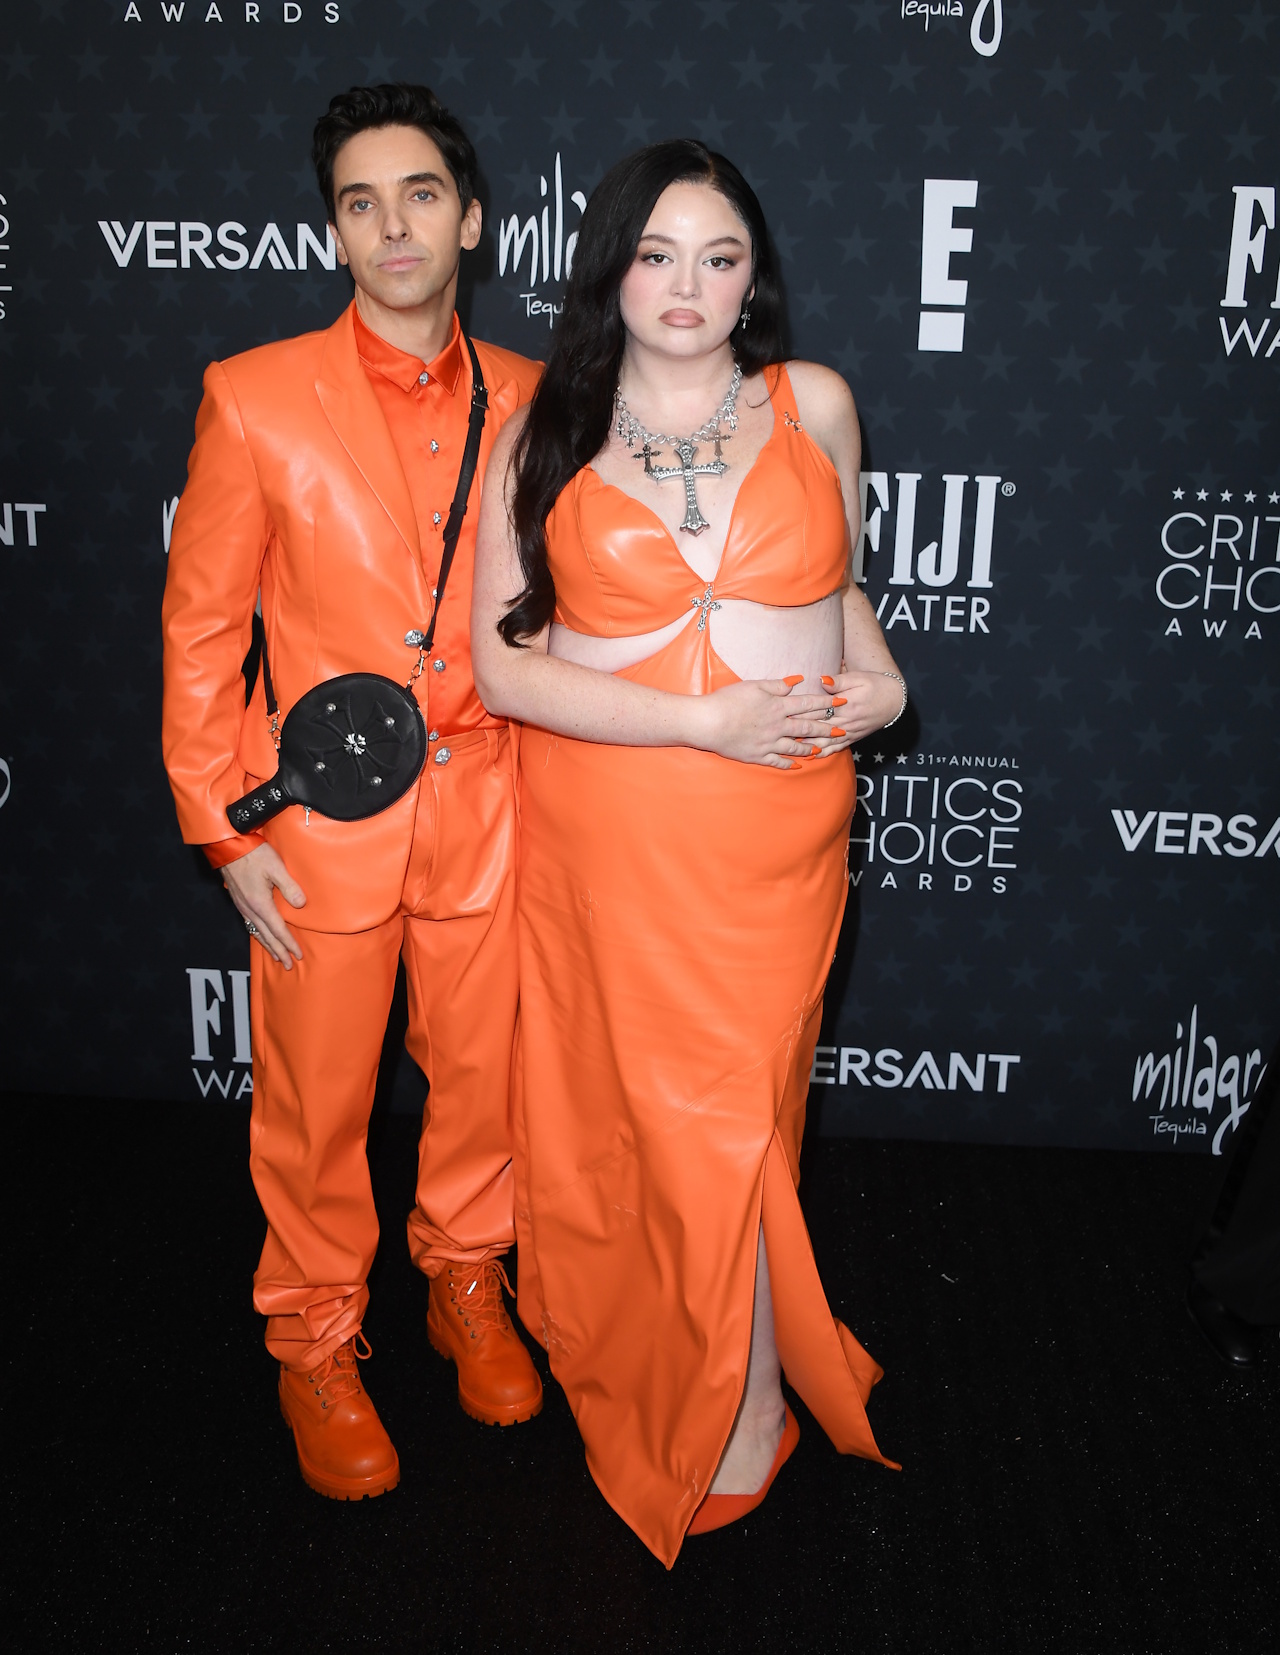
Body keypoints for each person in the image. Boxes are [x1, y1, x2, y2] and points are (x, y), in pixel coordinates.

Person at [472, 139, 903, 1566]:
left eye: (721, 258)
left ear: (753, 277)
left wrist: (888, 685)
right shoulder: (542, 425)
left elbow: (847, 607)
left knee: (747, 1110)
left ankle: (741, 1366)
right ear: (611, 265)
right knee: (659, 1120)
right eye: (658, 254)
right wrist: (704, 717)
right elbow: (506, 670)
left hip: (781, 832)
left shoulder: (815, 402)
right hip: (625, 827)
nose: (688, 285)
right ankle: (735, 1388)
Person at [162, 84, 544, 1503]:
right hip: (319, 823)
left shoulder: (537, 390)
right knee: (317, 1105)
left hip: (494, 804)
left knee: (485, 1080)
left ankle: (466, 1277)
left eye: (422, 194)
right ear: (334, 229)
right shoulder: (252, 396)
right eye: (363, 201)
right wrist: (219, 822)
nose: (395, 224)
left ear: (474, 218)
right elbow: (203, 628)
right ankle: (314, 1340)